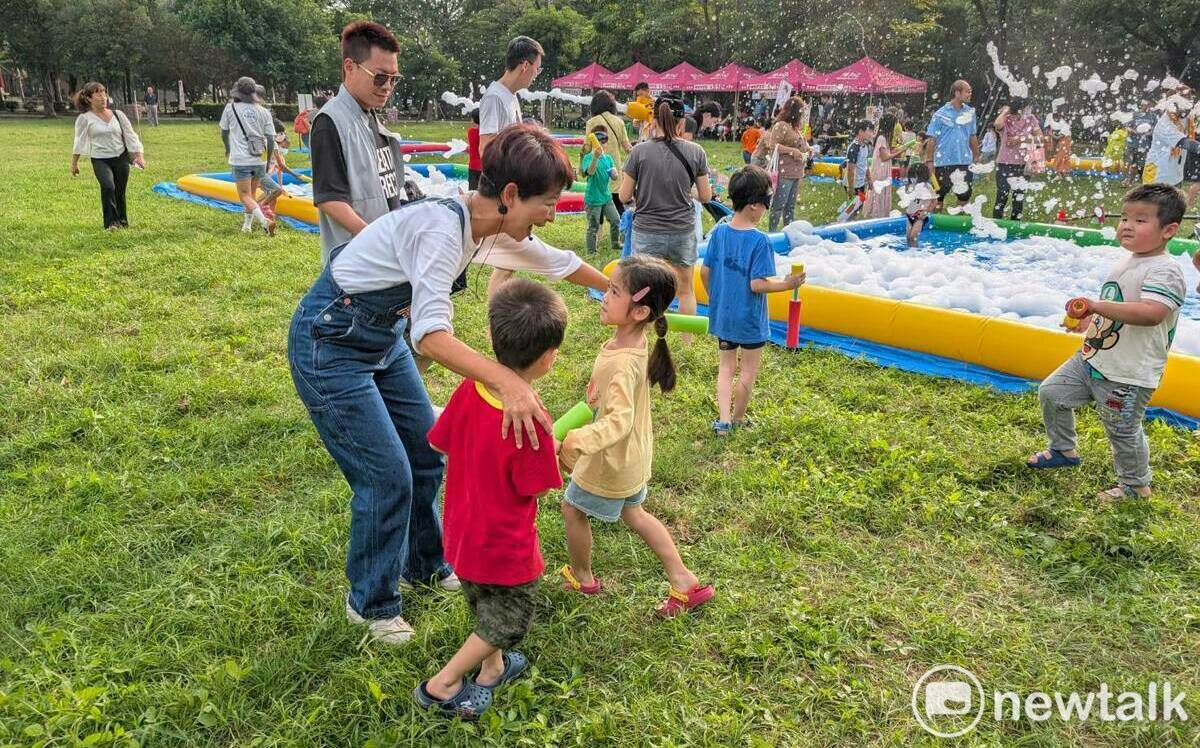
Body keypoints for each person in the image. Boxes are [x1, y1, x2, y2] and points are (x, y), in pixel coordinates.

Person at [288, 125, 580, 645]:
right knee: (387, 476)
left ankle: (424, 564)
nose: (551, 215)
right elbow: (430, 335)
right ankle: (371, 603)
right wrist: (507, 382)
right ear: (510, 195)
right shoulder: (443, 231)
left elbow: (552, 260)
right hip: (330, 342)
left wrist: (624, 288)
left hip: (380, 337)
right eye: (548, 203)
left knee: (427, 456)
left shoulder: (486, 224)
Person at [415, 279, 567, 719]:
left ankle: (492, 669)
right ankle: (443, 683)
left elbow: (441, 442)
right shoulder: (533, 423)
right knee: (509, 617)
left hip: (461, 534)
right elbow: (535, 485)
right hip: (504, 546)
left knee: (483, 604)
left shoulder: (468, 390)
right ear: (546, 357)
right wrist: (556, 447)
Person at [558, 255, 716, 616]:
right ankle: (684, 579)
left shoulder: (623, 360)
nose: (605, 296)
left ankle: (583, 577)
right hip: (632, 456)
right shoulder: (634, 341)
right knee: (636, 514)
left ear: (641, 312)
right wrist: (597, 393)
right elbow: (619, 395)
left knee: (572, 508)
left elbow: (618, 421)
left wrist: (574, 442)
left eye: (614, 291)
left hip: (609, 459)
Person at [1027, 184, 1187, 501]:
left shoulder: (1165, 270)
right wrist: (1090, 321)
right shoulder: (1130, 260)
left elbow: (1151, 313)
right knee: (1052, 393)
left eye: (1140, 220)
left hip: (1127, 373)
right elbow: (1119, 306)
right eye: (1125, 218)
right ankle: (1063, 449)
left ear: (1169, 229)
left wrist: (1097, 306)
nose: (1127, 225)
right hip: (1092, 359)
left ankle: (1136, 486)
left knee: (1122, 430)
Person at [701, 166, 804, 435]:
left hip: (723, 314)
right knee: (747, 370)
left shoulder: (720, 232)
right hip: (749, 320)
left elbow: (704, 272)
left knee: (725, 367)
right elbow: (757, 284)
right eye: (764, 205)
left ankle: (723, 420)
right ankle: (737, 419)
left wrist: (716, 298)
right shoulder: (760, 241)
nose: (764, 211)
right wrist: (788, 284)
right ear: (754, 205)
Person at [619, 96, 713, 343]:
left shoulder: (639, 152)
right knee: (685, 289)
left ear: (654, 120)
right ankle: (686, 342)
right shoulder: (696, 152)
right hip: (682, 231)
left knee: (642, 289)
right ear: (682, 122)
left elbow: (624, 195)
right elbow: (706, 196)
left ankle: (639, 339)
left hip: (647, 231)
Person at [310, 21, 406, 264]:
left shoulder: (370, 117)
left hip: (386, 259)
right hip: (358, 266)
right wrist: (378, 240)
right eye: (380, 77)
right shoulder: (329, 122)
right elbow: (330, 200)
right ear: (349, 67)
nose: (387, 87)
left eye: (393, 79)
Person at [479, 35, 545, 298]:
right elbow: (486, 147)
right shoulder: (495, 97)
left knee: (508, 263)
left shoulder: (510, 97)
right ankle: (499, 321)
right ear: (525, 65)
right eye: (537, 69)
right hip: (503, 190)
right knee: (507, 262)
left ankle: (500, 318)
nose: (535, 76)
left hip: (515, 188)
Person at [70, 82, 146, 230]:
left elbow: (131, 136)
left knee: (119, 190)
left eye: (104, 93)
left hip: (121, 157)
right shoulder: (85, 119)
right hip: (100, 159)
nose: (103, 97)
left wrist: (139, 156)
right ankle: (111, 223)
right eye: (98, 94)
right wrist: (74, 163)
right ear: (89, 99)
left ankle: (122, 221)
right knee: (108, 186)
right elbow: (79, 141)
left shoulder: (118, 115)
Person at [220, 76, 281, 235]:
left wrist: (228, 148)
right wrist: (267, 161)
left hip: (241, 159)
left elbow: (224, 132)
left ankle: (265, 222)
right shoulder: (264, 111)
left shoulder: (230, 108)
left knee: (245, 196)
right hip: (259, 158)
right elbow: (270, 138)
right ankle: (246, 227)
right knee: (252, 194)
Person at [923, 79, 980, 211]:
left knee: (964, 195)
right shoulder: (940, 114)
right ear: (957, 93)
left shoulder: (970, 113)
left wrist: (976, 156)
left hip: (964, 161)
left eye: (970, 92)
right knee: (938, 195)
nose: (970, 94)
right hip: (943, 162)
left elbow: (972, 136)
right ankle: (934, 225)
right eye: (967, 91)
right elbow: (932, 138)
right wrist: (929, 160)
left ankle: (958, 225)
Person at [765, 96, 811, 231]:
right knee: (779, 205)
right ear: (795, 111)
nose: (802, 116)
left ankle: (789, 231)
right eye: (801, 112)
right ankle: (773, 232)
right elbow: (773, 146)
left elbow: (800, 143)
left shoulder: (795, 127)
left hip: (797, 172)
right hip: (784, 172)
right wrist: (792, 151)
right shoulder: (781, 126)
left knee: (790, 206)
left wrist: (807, 149)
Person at [585, 89, 633, 215]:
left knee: (597, 210)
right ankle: (623, 230)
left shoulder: (591, 122)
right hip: (613, 170)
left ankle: (598, 235)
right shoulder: (619, 121)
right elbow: (627, 147)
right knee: (618, 205)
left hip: (598, 171)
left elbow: (587, 148)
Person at [992, 98, 1042, 220]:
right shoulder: (1005, 119)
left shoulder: (1031, 119)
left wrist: (1020, 139)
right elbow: (997, 125)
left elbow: (1040, 137)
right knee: (1002, 195)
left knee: (1018, 198)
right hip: (1004, 163)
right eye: (1027, 107)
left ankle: (1014, 229)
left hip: (1022, 165)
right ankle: (995, 225)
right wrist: (1005, 112)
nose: (1029, 110)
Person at [581, 128, 620, 253]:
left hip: (606, 197)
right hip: (593, 198)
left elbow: (614, 177)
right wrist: (595, 158)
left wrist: (614, 173)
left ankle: (615, 243)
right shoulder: (587, 157)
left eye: (605, 141)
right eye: (601, 141)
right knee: (593, 226)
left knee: (615, 220)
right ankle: (591, 251)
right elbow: (590, 172)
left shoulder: (608, 158)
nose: (603, 144)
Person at [864, 113, 903, 219]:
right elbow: (885, 157)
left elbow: (886, 153)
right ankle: (877, 214)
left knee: (879, 191)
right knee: (879, 192)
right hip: (881, 169)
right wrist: (900, 151)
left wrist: (897, 150)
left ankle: (878, 213)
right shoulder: (882, 138)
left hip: (881, 168)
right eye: (893, 125)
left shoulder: (883, 137)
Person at [841, 120, 875, 221]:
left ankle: (850, 221)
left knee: (859, 206)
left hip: (860, 183)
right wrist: (851, 188)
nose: (871, 134)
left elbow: (865, 164)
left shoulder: (865, 146)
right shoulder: (854, 147)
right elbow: (851, 169)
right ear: (861, 131)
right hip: (852, 184)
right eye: (869, 131)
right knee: (851, 209)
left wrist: (869, 179)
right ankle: (843, 222)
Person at [899, 163, 936, 247]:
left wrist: (926, 212)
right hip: (909, 215)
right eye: (912, 176)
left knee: (913, 237)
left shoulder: (927, 186)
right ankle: (910, 253)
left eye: (915, 177)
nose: (914, 179)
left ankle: (915, 254)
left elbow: (934, 201)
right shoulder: (910, 186)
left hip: (920, 216)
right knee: (908, 237)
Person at [1127, 99, 1157, 184]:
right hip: (1134, 143)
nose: (1147, 106)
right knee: (1132, 162)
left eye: (1149, 105)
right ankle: (1129, 180)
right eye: (1145, 105)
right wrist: (1135, 132)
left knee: (1146, 162)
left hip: (1146, 144)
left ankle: (1144, 179)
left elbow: (1155, 128)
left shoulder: (1153, 116)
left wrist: (1150, 132)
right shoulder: (1135, 114)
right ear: (1142, 105)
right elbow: (1128, 127)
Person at [466, 109, 482, 190]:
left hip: (472, 166)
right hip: (483, 167)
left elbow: (472, 146)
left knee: (472, 190)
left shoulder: (471, 131)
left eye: (471, 119)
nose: (471, 121)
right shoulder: (484, 134)